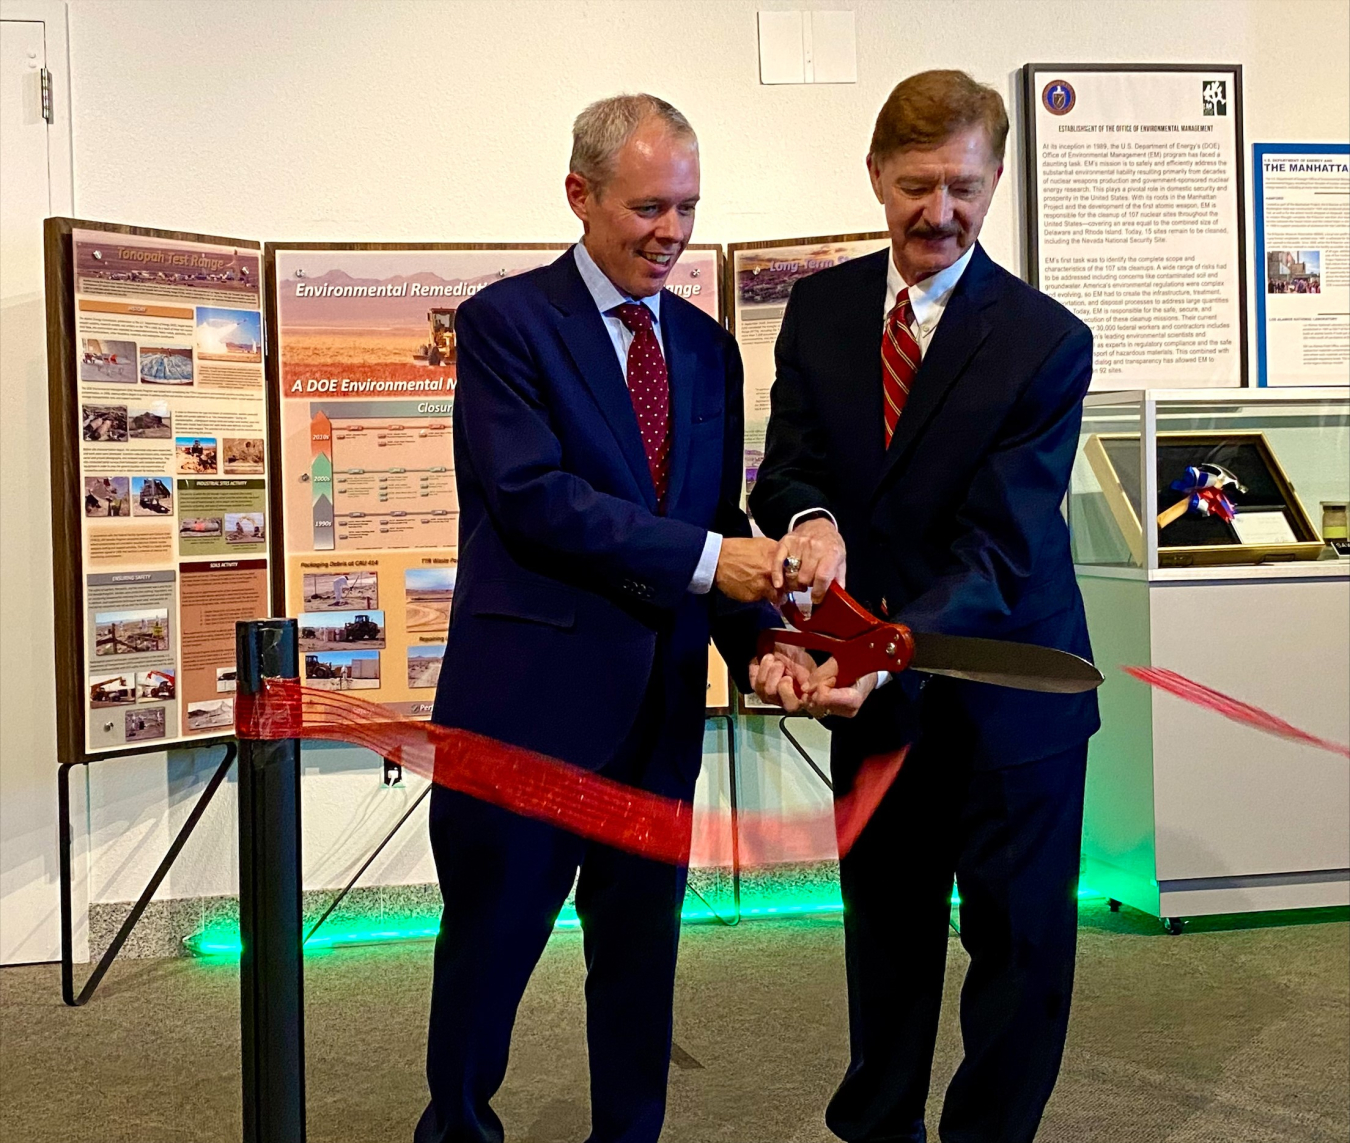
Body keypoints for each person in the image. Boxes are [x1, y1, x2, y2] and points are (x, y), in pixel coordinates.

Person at [419, 94, 788, 1143]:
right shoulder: (505, 325)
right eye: (648, 208)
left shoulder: (711, 352)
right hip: (526, 713)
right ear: (580, 195)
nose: (671, 232)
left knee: (639, 962)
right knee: (489, 952)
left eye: (688, 207)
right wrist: (721, 561)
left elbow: (714, 526)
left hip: (660, 716)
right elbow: (537, 500)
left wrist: (763, 653)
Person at [750, 70, 1101, 1143]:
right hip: (877, 699)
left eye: (964, 186)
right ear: (874, 175)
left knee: (1019, 948)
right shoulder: (820, 308)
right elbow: (792, 465)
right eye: (916, 184)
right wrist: (810, 523)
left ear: (996, 181)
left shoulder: (1046, 340)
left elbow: (1004, 539)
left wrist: (880, 644)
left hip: (1006, 695)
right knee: (887, 938)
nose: (939, 212)